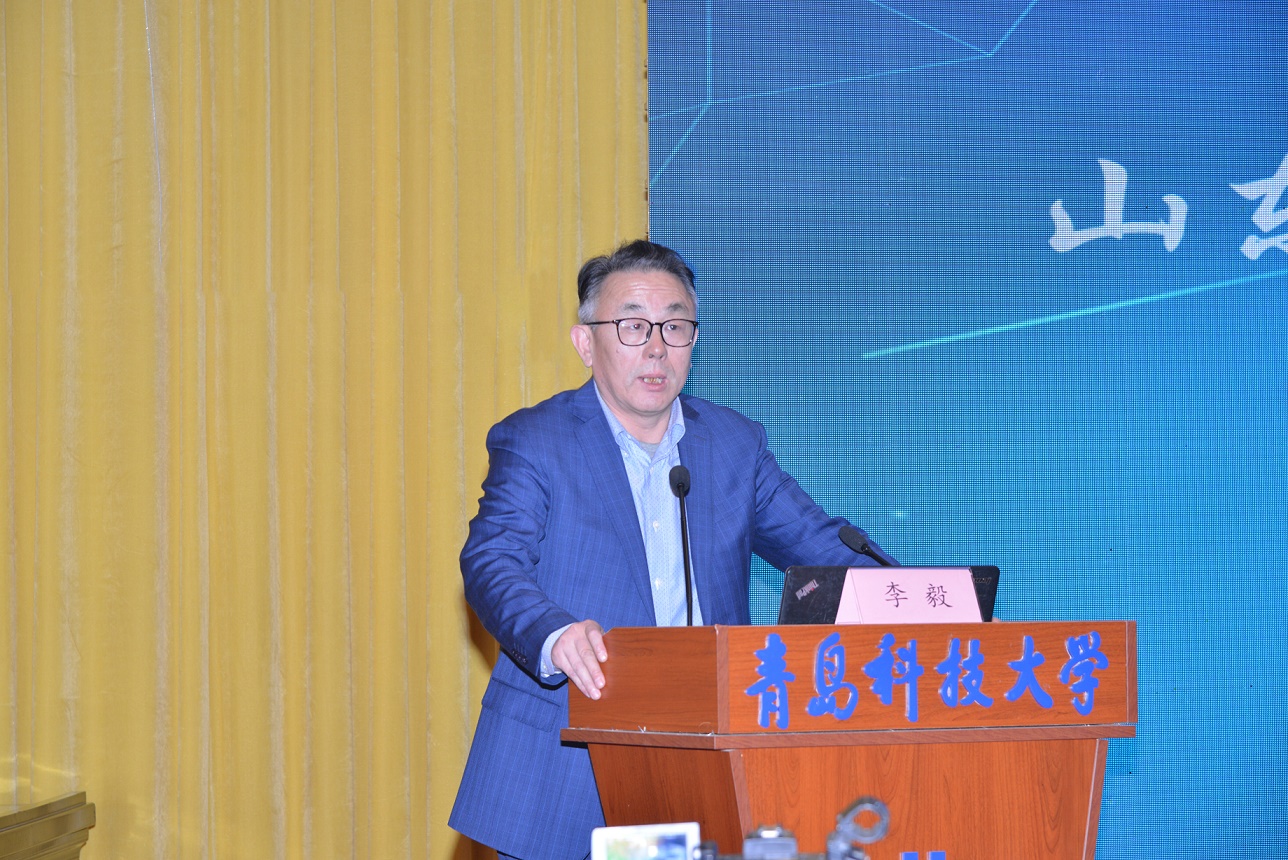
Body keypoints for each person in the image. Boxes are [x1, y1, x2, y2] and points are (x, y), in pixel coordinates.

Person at [448, 240, 894, 860]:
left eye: (675, 326)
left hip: (704, 760)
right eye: (633, 326)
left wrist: (939, 602)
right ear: (586, 343)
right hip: (563, 764)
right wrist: (554, 633)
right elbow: (492, 561)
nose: (656, 347)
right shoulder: (536, 439)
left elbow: (825, 548)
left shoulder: (734, 444)